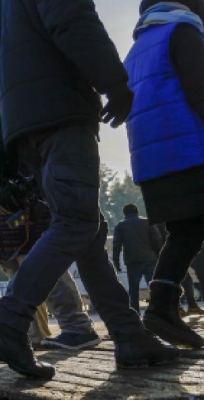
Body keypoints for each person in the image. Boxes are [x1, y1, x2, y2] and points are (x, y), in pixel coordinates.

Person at [0, 0, 179, 380]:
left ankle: (129, 335)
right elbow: (75, 23)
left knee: (87, 231)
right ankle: (8, 323)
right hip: (61, 114)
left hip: (26, 130)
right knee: (77, 222)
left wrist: (3, 143)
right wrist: (114, 83)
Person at [0, 52, 101, 350]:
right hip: (2, 205)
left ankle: (77, 326)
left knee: (40, 264)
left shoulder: (9, 98)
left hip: (25, 199)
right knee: (19, 268)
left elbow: (19, 146)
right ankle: (32, 334)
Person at [124, 0, 204, 348]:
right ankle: (161, 307)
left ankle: (162, 308)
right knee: (190, 229)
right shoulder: (181, 30)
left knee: (186, 230)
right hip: (190, 149)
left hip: (153, 159)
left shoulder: (137, 48)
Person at [112, 203, 163, 314]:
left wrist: (116, 262)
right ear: (137, 211)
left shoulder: (120, 226)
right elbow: (157, 239)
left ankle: (135, 313)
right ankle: (157, 311)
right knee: (153, 287)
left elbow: (116, 245)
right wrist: (159, 256)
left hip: (133, 261)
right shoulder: (147, 222)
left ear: (124, 213)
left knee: (134, 289)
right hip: (150, 259)